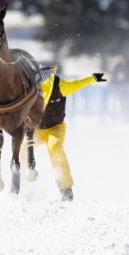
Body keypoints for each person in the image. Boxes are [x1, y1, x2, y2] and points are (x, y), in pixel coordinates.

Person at [36, 67, 107, 201]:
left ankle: (65, 188)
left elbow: (76, 84)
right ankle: (22, 183)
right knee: (23, 148)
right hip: (36, 129)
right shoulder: (31, 87)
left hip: (56, 127)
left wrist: (93, 78)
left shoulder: (59, 86)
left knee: (55, 148)